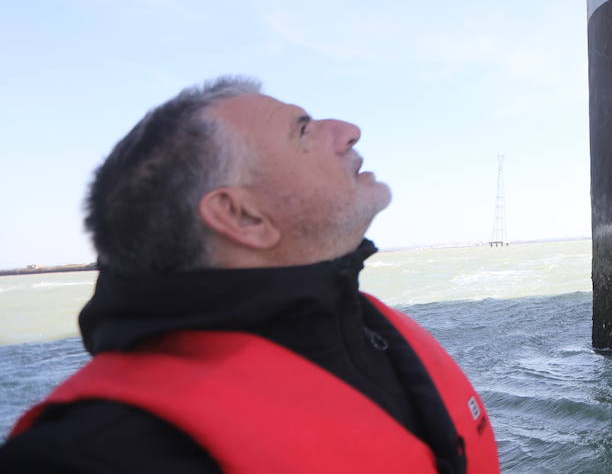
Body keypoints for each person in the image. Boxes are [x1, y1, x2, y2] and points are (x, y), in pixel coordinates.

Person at [0, 77, 499, 473]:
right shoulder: (100, 455)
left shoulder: (368, 333)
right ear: (243, 217)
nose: (347, 129)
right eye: (302, 130)